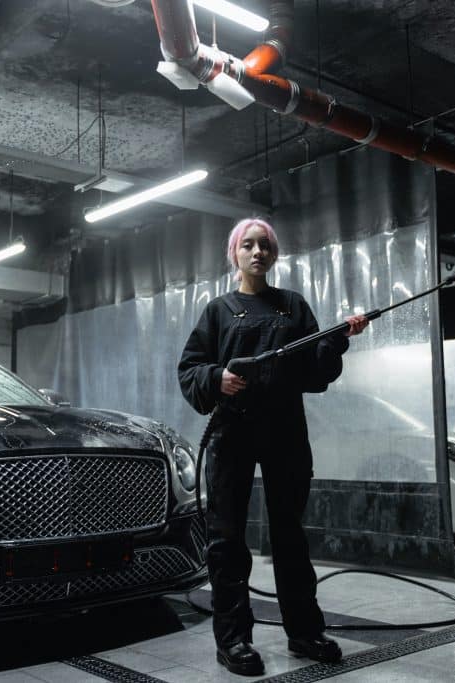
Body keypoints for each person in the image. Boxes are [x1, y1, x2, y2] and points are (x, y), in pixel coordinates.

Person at [178, 218, 368, 676]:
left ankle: (304, 633)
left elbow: (314, 371)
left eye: (264, 245)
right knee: (227, 541)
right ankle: (234, 640)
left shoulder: (292, 307)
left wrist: (340, 338)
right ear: (235, 254)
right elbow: (189, 369)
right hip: (232, 433)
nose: (257, 252)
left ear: (274, 254)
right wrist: (216, 378)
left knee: (289, 536)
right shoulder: (218, 311)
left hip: (284, 431)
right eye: (248, 245)